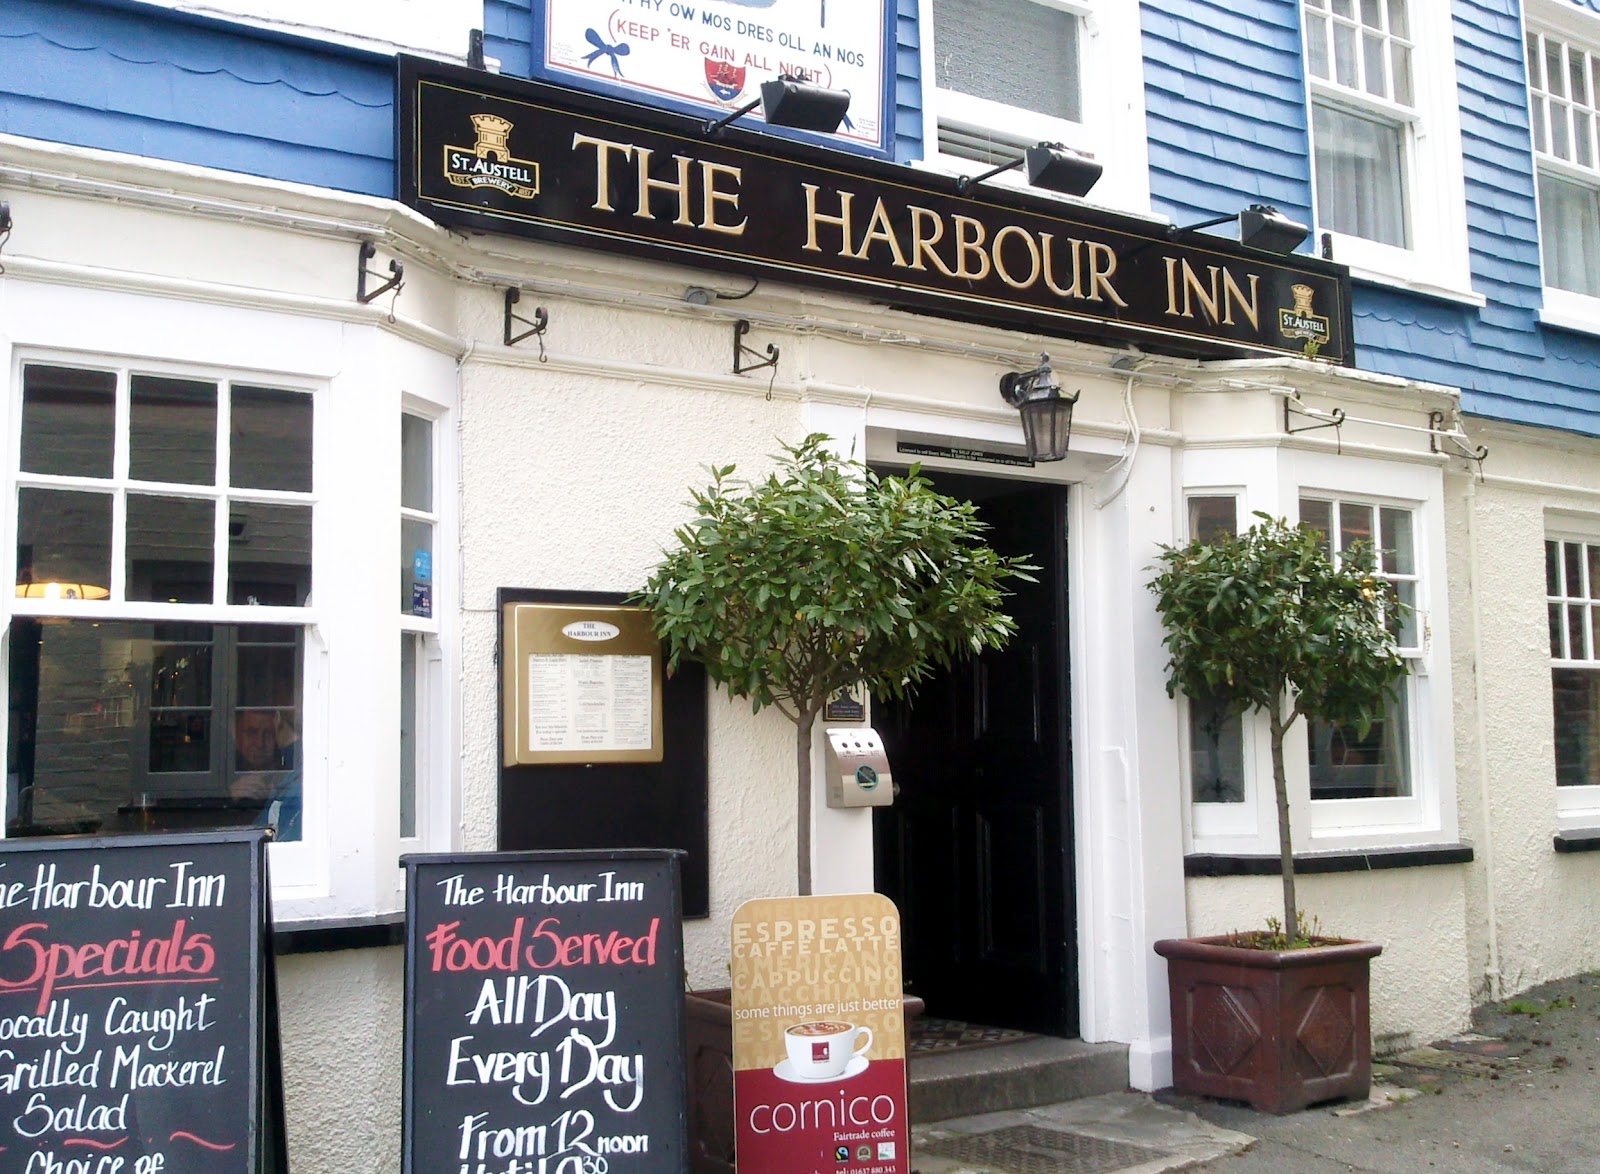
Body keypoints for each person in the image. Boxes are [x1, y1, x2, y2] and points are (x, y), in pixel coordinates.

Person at [230, 708, 302, 840]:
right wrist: (228, 802)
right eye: (251, 732)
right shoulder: (221, 771)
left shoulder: (291, 774)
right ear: (235, 732)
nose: (260, 743)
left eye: (268, 734)